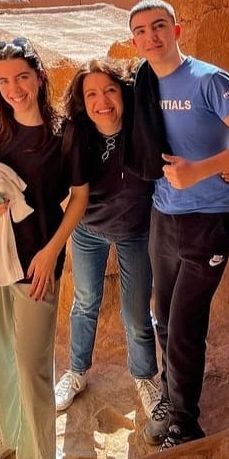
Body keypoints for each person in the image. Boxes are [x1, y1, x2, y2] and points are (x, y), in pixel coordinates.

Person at [128, 0, 229, 450]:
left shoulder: (210, 79)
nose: (151, 37)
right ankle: (172, 395)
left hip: (210, 215)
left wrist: (202, 170)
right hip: (164, 213)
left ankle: (185, 422)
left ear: (177, 30)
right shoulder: (143, 84)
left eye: (159, 26)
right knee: (164, 317)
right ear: (135, 41)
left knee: (186, 321)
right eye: (141, 31)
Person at [0, 37, 89, 459]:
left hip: (36, 261)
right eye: (4, 80)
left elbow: (79, 197)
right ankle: (8, 434)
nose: (14, 88)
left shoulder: (63, 133)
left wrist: (53, 251)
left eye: (22, 78)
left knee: (32, 366)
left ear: (38, 77)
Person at [54, 60, 161, 419]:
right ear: (81, 101)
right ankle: (77, 372)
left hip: (135, 231)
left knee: (135, 313)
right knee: (85, 301)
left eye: (110, 90)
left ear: (124, 92)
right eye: (91, 94)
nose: (102, 101)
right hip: (88, 231)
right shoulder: (77, 134)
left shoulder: (141, 128)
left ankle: (145, 377)